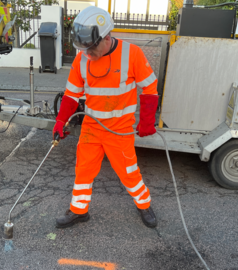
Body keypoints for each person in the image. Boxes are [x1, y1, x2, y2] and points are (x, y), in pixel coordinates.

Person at [53, 6, 159, 228]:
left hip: (119, 130)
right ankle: (79, 210)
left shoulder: (132, 54)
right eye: (84, 49)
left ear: (106, 37)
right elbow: (72, 95)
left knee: (129, 173)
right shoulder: (82, 59)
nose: (88, 54)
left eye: (91, 48)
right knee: (83, 170)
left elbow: (150, 88)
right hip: (92, 127)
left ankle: (144, 204)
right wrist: (61, 121)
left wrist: (147, 121)